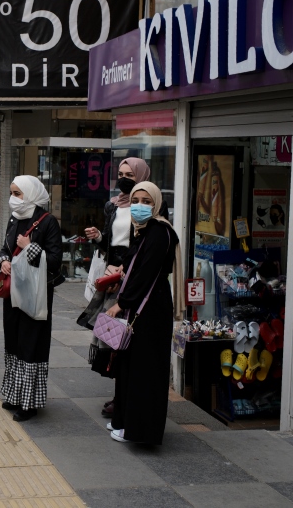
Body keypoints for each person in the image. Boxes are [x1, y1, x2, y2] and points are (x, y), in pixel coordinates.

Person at [103, 181, 184, 445]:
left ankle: (139, 431)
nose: (139, 206)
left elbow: (147, 273)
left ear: (158, 204)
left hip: (149, 311)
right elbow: (134, 264)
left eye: (146, 201)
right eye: (135, 200)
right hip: (144, 308)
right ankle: (125, 422)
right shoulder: (146, 230)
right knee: (130, 367)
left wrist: (122, 302)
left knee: (144, 371)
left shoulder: (160, 232)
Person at [78, 157, 153, 419]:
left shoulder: (146, 207)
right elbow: (111, 242)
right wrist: (99, 238)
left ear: (141, 176)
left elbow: (141, 246)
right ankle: (117, 393)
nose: (124, 179)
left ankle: (122, 395)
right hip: (112, 275)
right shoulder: (113, 206)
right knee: (112, 336)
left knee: (125, 337)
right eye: (120, 174)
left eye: (130, 175)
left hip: (129, 276)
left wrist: (123, 270)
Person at [0, 176, 63, 422]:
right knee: (13, 342)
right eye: (12, 193)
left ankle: (29, 403)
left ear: (31, 194)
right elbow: (5, 248)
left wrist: (30, 246)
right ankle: (14, 395)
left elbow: (55, 261)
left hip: (36, 294)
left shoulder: (48, 222)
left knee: (30, 344)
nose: (14, 198)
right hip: (13, 292)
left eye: (18, 193)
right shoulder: (14, 219)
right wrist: (2, 262)